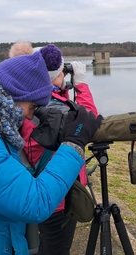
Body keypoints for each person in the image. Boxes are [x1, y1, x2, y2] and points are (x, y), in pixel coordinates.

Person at [0, 51, 102, 255]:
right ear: (11, 96)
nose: (32, 115)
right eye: (33, 106)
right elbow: (33, 203)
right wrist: (74, 143)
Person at [9, 42, 98, 255]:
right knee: (56, 249)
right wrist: (81, 84)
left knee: (48, 245)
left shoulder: (29, 100)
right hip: (57, 193)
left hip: (44, 185)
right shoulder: (47, 107)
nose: (64, 75)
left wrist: (63, 88)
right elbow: (88, 122)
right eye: (60, 73)